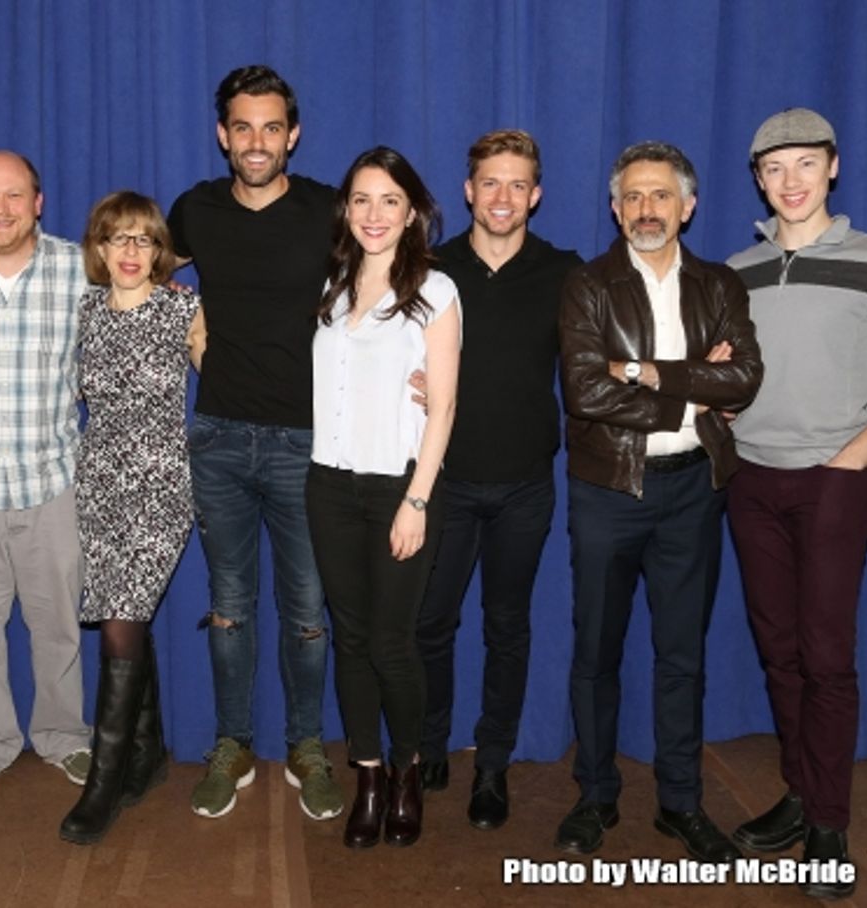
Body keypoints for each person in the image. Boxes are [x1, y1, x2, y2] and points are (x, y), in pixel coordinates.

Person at [726, 109, 867, 899]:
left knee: (826, 658)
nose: (790, 181)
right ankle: (797, 790)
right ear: (757, 177)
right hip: (750, 482)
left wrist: (849, 463)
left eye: (804, 165)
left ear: (833, 168)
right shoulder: (737, 269)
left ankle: (829, 821)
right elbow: (734, 378)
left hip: (833, 482)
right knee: (778, 652)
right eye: (774, 167)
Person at [556, 142, 761, 862]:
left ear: (688, 205)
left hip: (692, 492)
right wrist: (690, 389)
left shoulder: (720, 285)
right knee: (596, 651)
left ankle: (681, 803)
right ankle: (595, 796)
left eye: (661, 196)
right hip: (608, 489)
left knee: (682, 656)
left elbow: (745, 380)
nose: (647, 210)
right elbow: (584, 391)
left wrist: (640, 371)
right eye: (633, 198)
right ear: (615, 210)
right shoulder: (588, 285)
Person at [168, 64, 342, 822]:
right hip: (219, 439)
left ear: (292, 135)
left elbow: (398, 274)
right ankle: (232, 743)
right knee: (230, 605)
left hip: (307, 441)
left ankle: (307, 745)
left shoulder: (331, 210)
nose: (257, 141)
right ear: (223, 135)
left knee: (307, 610)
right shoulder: (195, 209)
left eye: (272, 127)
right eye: (243, 127)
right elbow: (126, 255)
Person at [414, 129, 582, 830]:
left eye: (517, 184)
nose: (503, 196)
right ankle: (428, 746)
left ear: (535, 195)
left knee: (507, 626)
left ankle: (492, 764)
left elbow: (624, 337)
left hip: (523, 486)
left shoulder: (565, 271)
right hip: (446, 482)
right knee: (430, 625)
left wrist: (704, 359)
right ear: (468, 191)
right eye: (490, 182)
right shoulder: (429, 269)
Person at [307, 146, 461, 849]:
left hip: (398, 487)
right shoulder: (332, 286)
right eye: (362, 199)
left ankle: (407, 771)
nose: (375, 214)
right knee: (353, 638)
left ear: (413, 212)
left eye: (389, 200)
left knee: (395, 645)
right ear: (347, 209)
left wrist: (418, 500)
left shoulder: (437, 289)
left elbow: (445, 406)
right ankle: (366, 773)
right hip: (329, 487)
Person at [0, 150, 92, 804]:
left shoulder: (80, 268)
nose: (0, 209)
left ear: (39, 202)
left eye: (14, 196)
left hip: (51, 481)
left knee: (59, 625)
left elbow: (147, 281)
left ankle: (64, 737)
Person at [59, 192, 202, 844]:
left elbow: (234, 380)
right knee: (128, 620)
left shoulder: (182, 308)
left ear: (159, 251)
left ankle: (105, 781)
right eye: (117, 238)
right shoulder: (85, 312)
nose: (128, 252)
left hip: (161, 488)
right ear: (98, 248)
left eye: (142, 240)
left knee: (120, 622)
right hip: (99, 486)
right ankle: (147, 757)